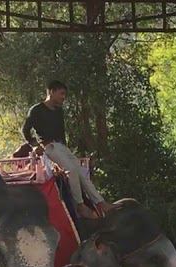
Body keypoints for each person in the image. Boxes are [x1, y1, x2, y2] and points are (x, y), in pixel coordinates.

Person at [22, 81, 114, 219]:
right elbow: (25, 130)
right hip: (49, 147)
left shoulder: (59, 111)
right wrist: (35, 145)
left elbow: (61, 132)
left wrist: (66, 150)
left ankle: (100, 203)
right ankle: (80, 205)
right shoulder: (36, 110)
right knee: (71, 169)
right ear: (51, 92)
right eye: (61, 94)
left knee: (81, 172)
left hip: (61, 147)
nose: (63, 97)